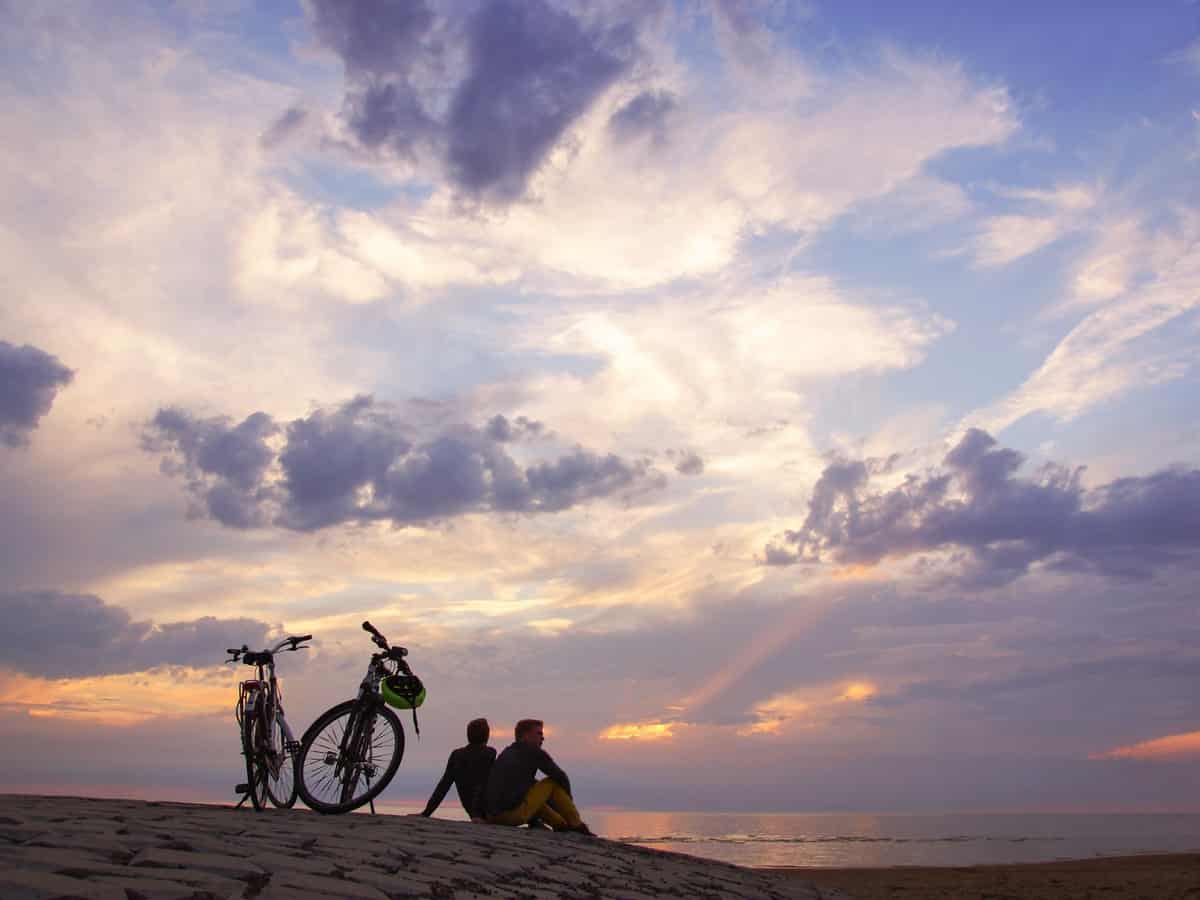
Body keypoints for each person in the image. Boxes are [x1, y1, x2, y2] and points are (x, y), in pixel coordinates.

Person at [484, 718, 593, 834]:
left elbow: (526, 792)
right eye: (539, 733)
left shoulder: (507, 752)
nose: (542, 738)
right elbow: (561, 776)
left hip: (494, 817)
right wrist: (569, 801)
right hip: (511, 815)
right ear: (525, 735)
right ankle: (577, 824)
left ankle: (561, 825)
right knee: (553, 782)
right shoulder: (533, 751)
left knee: (536, 789)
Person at [420, 717, 496, 821]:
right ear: (487, 736)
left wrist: (426, 812)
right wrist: (477, 814)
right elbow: (482, 783)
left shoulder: (456, 755)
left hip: (473, 811)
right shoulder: (489, 753)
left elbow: (443, 786)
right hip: (486, 813)